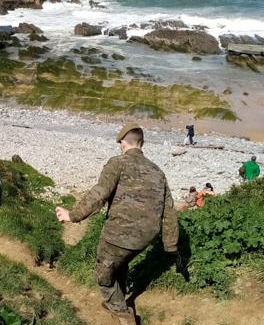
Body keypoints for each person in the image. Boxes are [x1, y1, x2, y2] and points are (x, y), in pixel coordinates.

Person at [54, 123, 179, 325]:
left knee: (103, 275)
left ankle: (122, 313)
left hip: (119, 234)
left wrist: (73, 215)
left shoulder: (118, 163)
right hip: (146, 238)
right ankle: (120, 296)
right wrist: (171, 245)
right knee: (120, 262)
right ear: (142, 143)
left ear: (122, 143)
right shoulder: (158, 172)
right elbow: (169, 211)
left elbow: (99, 193)